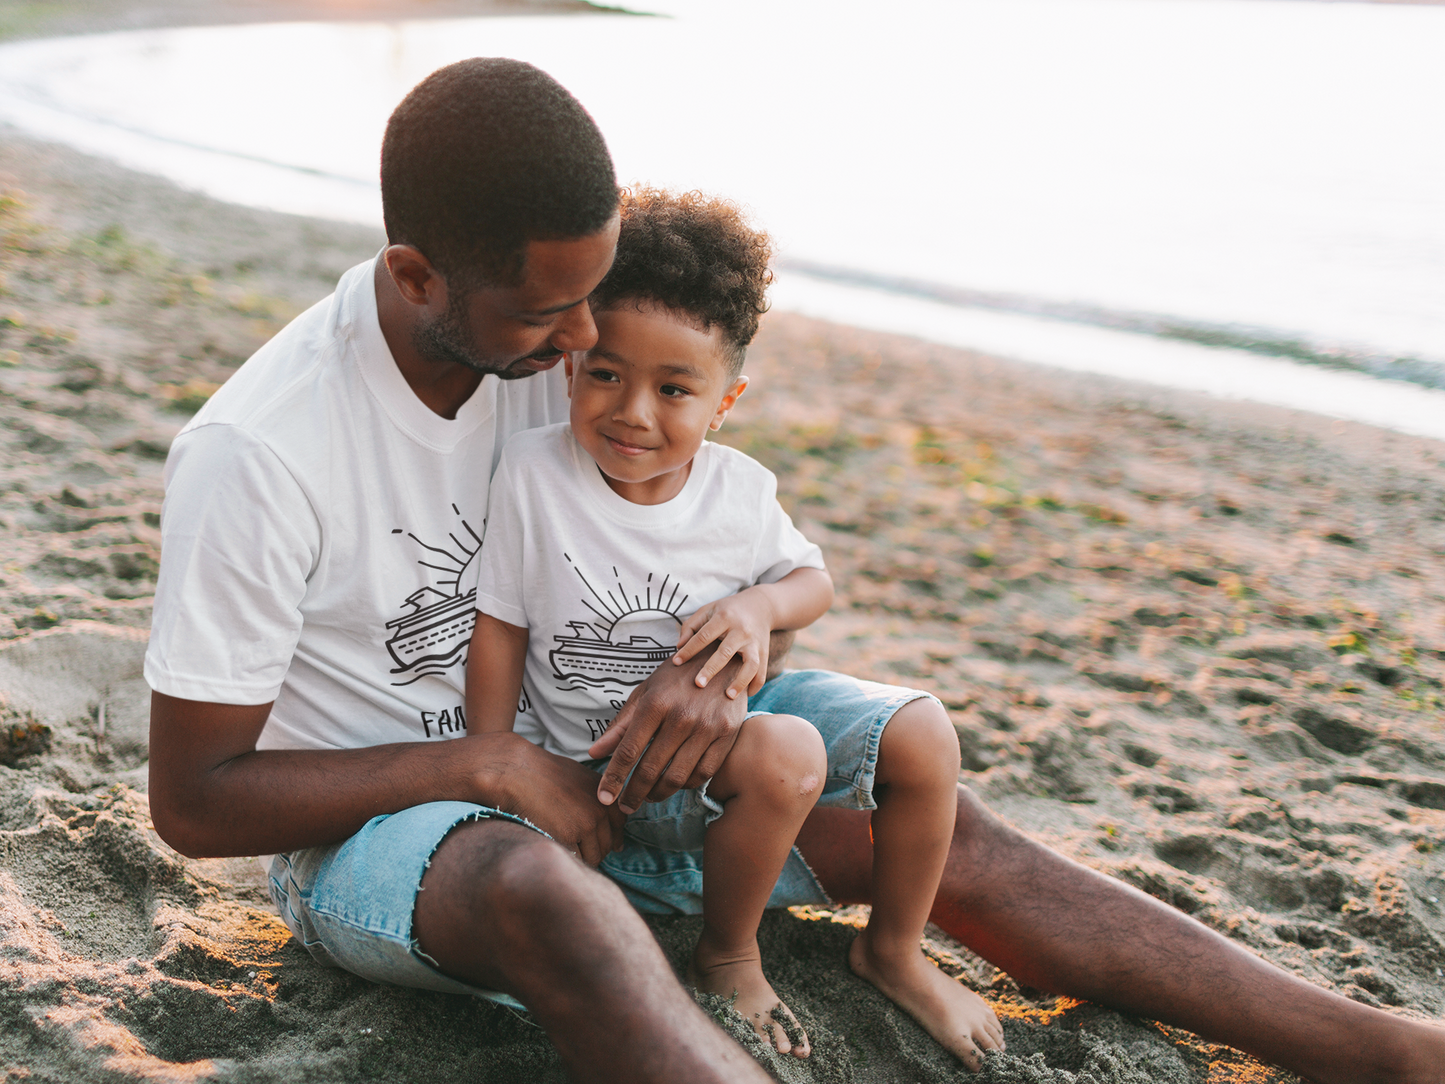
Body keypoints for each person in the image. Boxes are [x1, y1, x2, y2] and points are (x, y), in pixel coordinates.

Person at [143, 57, 1445, 1084]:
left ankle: (1371, 1049)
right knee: (542, 890)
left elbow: (683, 518)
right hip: (398, 849)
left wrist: (737, 647)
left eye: (595, 302)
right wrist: (482, 767)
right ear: (417, 276)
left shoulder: (550, 352)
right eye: (554, 314)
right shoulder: (262, 453)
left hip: (616, 772)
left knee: (935, 828)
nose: (586, 345)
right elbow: (197, 803)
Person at [464, 186, 1008, 1062]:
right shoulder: (534, 476)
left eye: (673, 389)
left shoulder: (740, 491)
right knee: (787, 749)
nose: (633, 411)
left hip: (723, 746)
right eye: (606, 373)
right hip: (600, 778)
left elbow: (811, 581)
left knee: (923, 730)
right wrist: (490, 766)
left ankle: (893, 949)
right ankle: (727, 955)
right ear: (572, 367)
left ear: (724, 401)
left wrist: (757, 607)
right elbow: (498, 630)